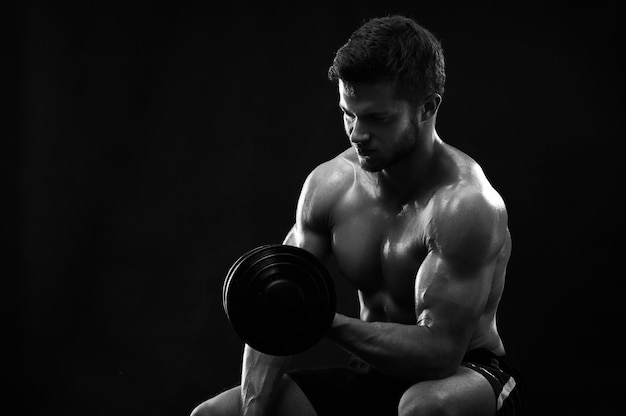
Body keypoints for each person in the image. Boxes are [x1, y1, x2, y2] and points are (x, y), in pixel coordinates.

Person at [191, 14, 523, 416]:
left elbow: (439, 354)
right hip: (371, 373)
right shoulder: (330, 185)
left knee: (423, 406)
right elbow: (273, 308)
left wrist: (323, 321)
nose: (356, 133)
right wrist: (253, 411)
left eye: (376, 118)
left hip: (464, 375)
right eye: (349, 113)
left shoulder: (465, 204)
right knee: (214, 414)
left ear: (427, 107)